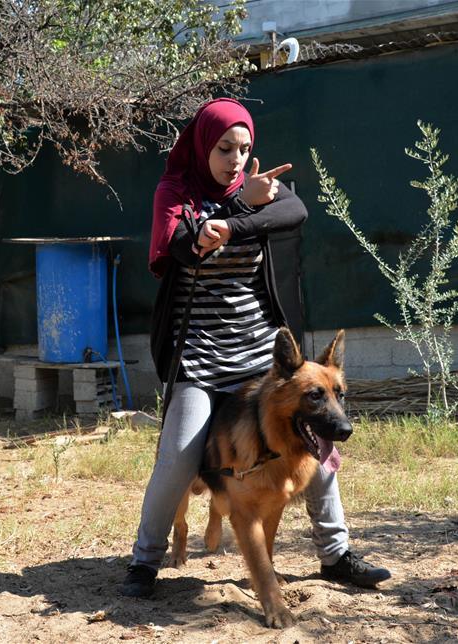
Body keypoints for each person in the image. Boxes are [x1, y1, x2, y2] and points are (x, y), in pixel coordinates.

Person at [122, 98, 390, 598]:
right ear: (203, 144)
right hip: (200, 356)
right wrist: (222, 217)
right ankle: (144, 563)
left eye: (244, 149)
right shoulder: (174, 191)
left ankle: (336, 555)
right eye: (225, 148)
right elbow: (176, 245)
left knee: (315, 444)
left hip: (260, 357)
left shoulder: (259, 188)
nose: (236, 159)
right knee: (179, 457)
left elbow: (295, 210)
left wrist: (240, 212)